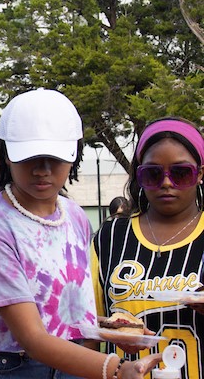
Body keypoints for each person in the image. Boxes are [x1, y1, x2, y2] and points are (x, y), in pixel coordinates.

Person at [0, 88, 161, 379]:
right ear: (5, 157)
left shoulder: (74, 215)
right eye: (29, 158)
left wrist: (109, 329)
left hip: (69, 361)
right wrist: (115, 370)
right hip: (7, 368)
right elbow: (32, 336)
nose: (42, 170)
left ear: (74, 156)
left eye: (54, 158)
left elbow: (58, 309)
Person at [92, 117, 204, 379]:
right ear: (139, 175)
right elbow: (88, 329)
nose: (167, 183)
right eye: (153, 174)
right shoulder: (110, 237)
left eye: (180, 173)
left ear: (199, 174)